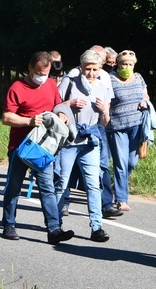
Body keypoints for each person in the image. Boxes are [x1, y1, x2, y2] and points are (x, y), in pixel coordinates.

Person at [1, 51, 73, 243]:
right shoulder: (17, 87)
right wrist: (28, 121)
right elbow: (6, 118)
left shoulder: (50, 84)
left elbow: (58, 105)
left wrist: (62, 114)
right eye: (39, 73)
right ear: (30, 68)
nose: (43, 77)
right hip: (21, 147)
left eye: (47, 73)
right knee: (14, 187)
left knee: (47, 187)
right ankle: (9, 224)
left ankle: (54, 229)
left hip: (44, 147)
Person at [55, 50, 111, 242]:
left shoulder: (103, 86)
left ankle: (97, 227)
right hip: (69, 141)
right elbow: (54, 106)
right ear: (81, 67)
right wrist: (69, 103)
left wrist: (104, 111)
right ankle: (56, 225)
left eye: (95, 69)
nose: (91, 73)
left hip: (90, 141)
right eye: (87, 69)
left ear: (100, 68)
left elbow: (104, 122)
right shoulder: (70, 82)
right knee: (62, 183)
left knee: (93, 184)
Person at [107, 49, 150, 212]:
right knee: (120, 163)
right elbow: (106, 101)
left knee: (132, 162)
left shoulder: (138, 77)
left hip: (136, 125)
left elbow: (146, 95)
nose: (127, 67)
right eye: (124, 64)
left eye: (130, 64)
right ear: (117, 64)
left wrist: (145, 102)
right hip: (116, 126)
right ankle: (121, 199)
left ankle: (116, 186)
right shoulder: (110, 79)